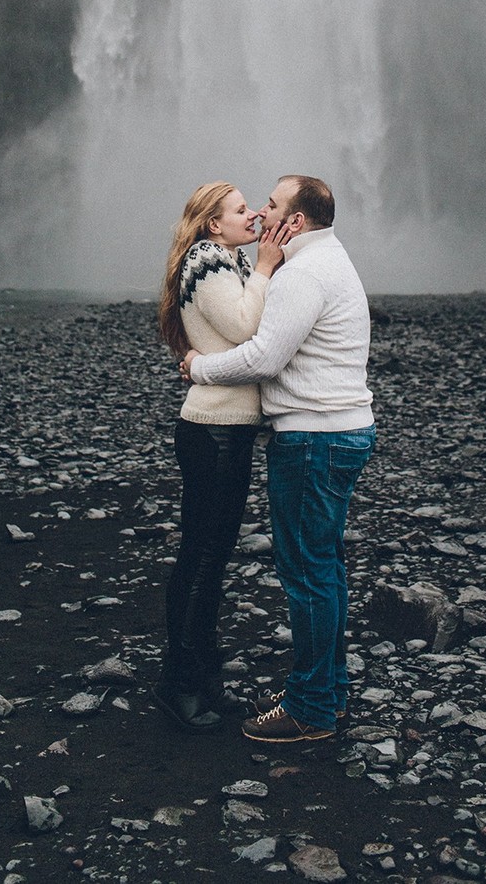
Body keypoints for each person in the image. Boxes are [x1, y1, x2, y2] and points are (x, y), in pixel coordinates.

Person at [182, 174, 374, 744]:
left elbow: (263, 357)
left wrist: (198, 369)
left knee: (307, 574)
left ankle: (311, 708)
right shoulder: (331, 261)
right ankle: (329, 692)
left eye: (271, 205)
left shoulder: (304, 273)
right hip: (339, 434)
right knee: (326, 568)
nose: (263, 215)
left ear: (297, 221)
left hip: (313, 440)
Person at [154, 181, 288, 731]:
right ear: (213, 224)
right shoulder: (208, 261)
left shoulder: (220, 258)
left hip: (224, 430)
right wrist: (266, 266)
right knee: (203, 559)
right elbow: (243, 327)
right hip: (212, 431)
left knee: (210, 558)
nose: (254, 213)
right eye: (240, 209)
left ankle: (204, 680)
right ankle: (179, 686)